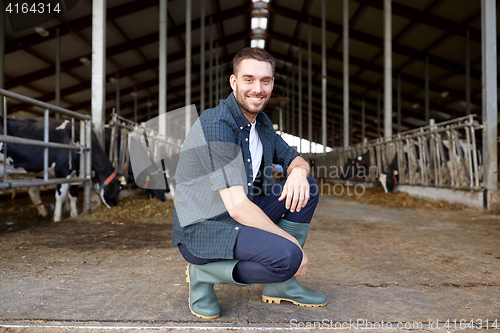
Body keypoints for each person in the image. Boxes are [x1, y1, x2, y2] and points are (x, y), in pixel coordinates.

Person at [171, 47, 327, 319]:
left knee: (309, 187)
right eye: (249, 79)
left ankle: (281, 285)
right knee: (288, 257)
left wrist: (299, 173)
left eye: (265, 81)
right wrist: (293, 243)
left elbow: (296, 159)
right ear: (234, 82)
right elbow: (237, 207)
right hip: (206, 228)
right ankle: (202, 273)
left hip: (238, 217)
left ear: (272, 84)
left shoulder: (262, 123)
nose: (258, 88)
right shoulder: (217, 123)